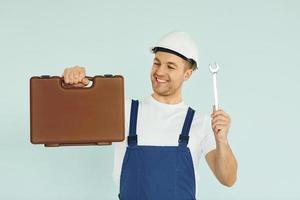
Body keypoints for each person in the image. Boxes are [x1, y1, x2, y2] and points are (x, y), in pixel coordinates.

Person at [62, 31, 238, 200]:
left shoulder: (200, 123)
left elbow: (228, 179)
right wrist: (75, 81)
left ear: (187, 74)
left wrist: (222, 140)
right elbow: (75, 110)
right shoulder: (124, 110)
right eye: (156, 63)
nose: (159, 72)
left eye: (170, 66)